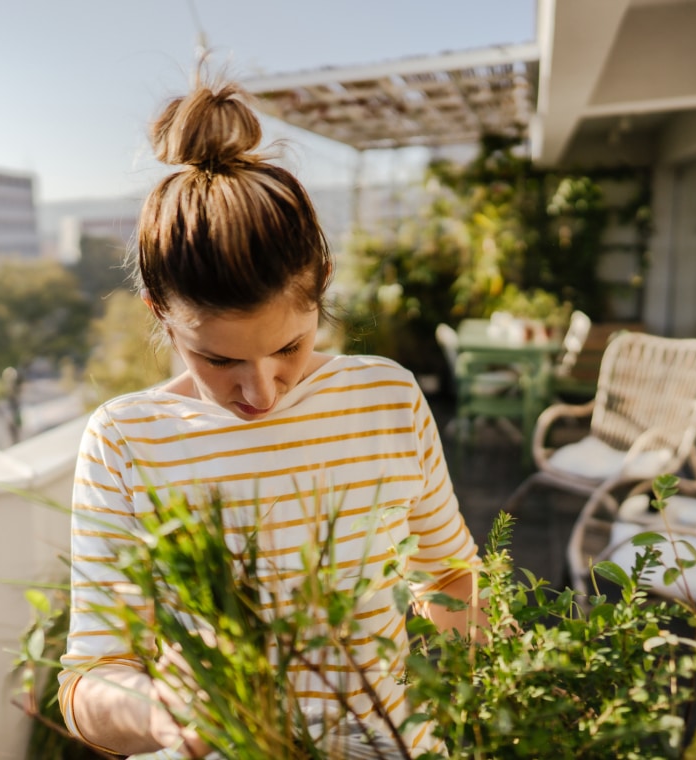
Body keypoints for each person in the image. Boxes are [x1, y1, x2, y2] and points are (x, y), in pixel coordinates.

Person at [58, 76, 482, 759]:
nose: (262, 394)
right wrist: (157, 713)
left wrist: (474, 693)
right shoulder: (126, 441)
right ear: (160, 316)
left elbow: (449, 573)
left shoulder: (387, 400)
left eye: (289, 346)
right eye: (219, 360)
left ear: (320, 288)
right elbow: (88, 684)